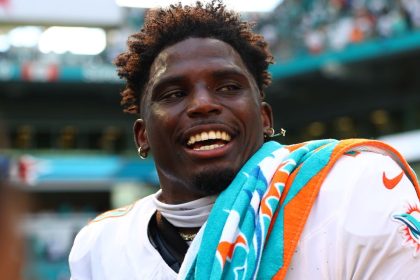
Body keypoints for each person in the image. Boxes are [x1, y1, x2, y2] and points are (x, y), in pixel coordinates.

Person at [69, 1, 420, 279]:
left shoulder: (353, 194)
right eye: (174, 93)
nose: (204, 104)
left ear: (265, 119)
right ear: (142, 135)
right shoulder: (100, 246)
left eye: (228, 87)